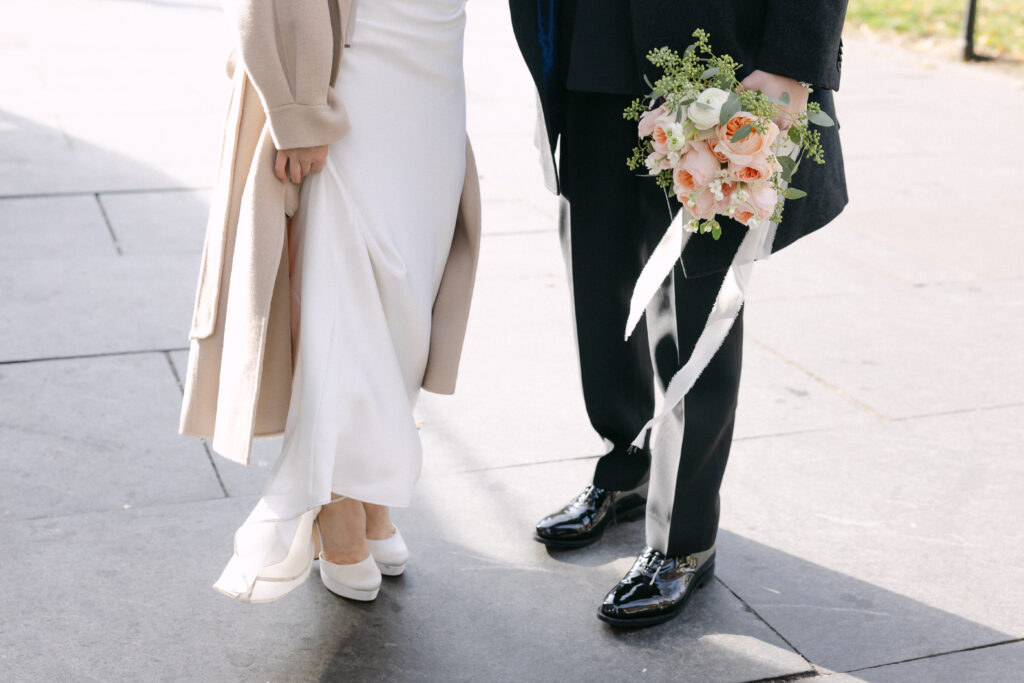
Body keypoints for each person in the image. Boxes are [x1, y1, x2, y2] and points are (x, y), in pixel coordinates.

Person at [509, 0, 848, 626]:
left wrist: (792, 62)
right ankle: (626, 463)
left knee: (694, 307)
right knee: (599, 282)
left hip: (711, 50)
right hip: (586, 43)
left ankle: (684, 538)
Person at [179, 0, 480, 603]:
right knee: (348, 269)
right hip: (357, 50)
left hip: (432, 45)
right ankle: (332, 500)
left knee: (410, 283)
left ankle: (366, 485)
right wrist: (297, 111)